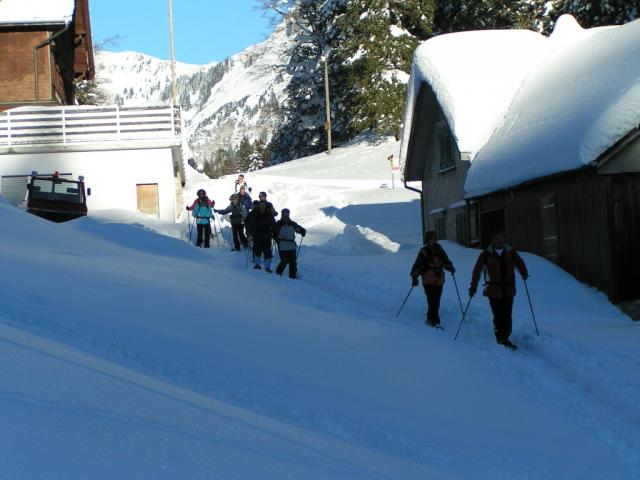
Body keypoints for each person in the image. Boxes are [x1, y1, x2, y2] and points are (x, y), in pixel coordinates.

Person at [469, 230, 529, 350]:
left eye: (501, 238)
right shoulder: (486, 254)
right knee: (498, 315)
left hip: (509, 289)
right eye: (497, 238)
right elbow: (477, 271)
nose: (500, 240)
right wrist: (473, 287)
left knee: (507, 315)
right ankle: (501, 339)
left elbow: (520, 263)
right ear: (493, 240)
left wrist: (524, 272)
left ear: (504, 239)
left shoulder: (511, 252)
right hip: (493, 290)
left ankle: (505, 337)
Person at [410, 231, 455, 328]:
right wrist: (414, 277)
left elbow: (445, 262)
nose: (435, 240)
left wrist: (450, 267)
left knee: (436, 301)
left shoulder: (439, 250)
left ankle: (430, 320)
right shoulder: (423, 252)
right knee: (432, 301)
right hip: (427, 280)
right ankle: (435, 321)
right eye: (432, 238)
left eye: (436, 238)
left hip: (439, 280)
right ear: (428, 240)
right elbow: (417, 266)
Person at [273, 208, 306, 279]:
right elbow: (274, 232)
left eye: (287, 214)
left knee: (290, 262)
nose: (286, 215)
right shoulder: (281, 224)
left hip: (288, 246)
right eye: (285, 214)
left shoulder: (283, 224)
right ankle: (288, 276)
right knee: (288, 261)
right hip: (285, 245)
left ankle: (280, 274)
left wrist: (302, 231)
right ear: (282, 214)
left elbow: (299, 229)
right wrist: (302, 231)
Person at [245, 200, 276, 271]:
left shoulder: (269, 214)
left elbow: (273, 224)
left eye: (263, 205)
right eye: (261, 205)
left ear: (265, 206)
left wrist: (274, 233)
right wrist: (249, 232)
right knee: (257, 250)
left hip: (267, 235)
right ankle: (257, 265)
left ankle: (267, 268)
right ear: (259, 205)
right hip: (257, 235)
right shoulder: (254, 213)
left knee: (267, 251)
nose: (262, 206)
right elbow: (248, 223)